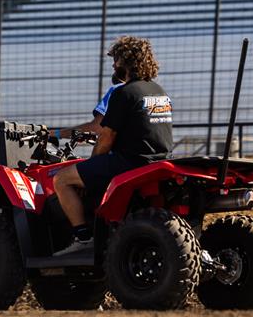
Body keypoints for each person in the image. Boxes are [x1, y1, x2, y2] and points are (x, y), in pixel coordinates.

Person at [52, 36, 174, 255]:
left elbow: (106, 137)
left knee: (61, 179)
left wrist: (92, 165)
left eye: (115, 60)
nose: (113, 65)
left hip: (130, 162)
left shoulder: (124, 93)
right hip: (160, 161)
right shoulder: (158, 91)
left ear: (125, 62)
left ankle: (83, 238)